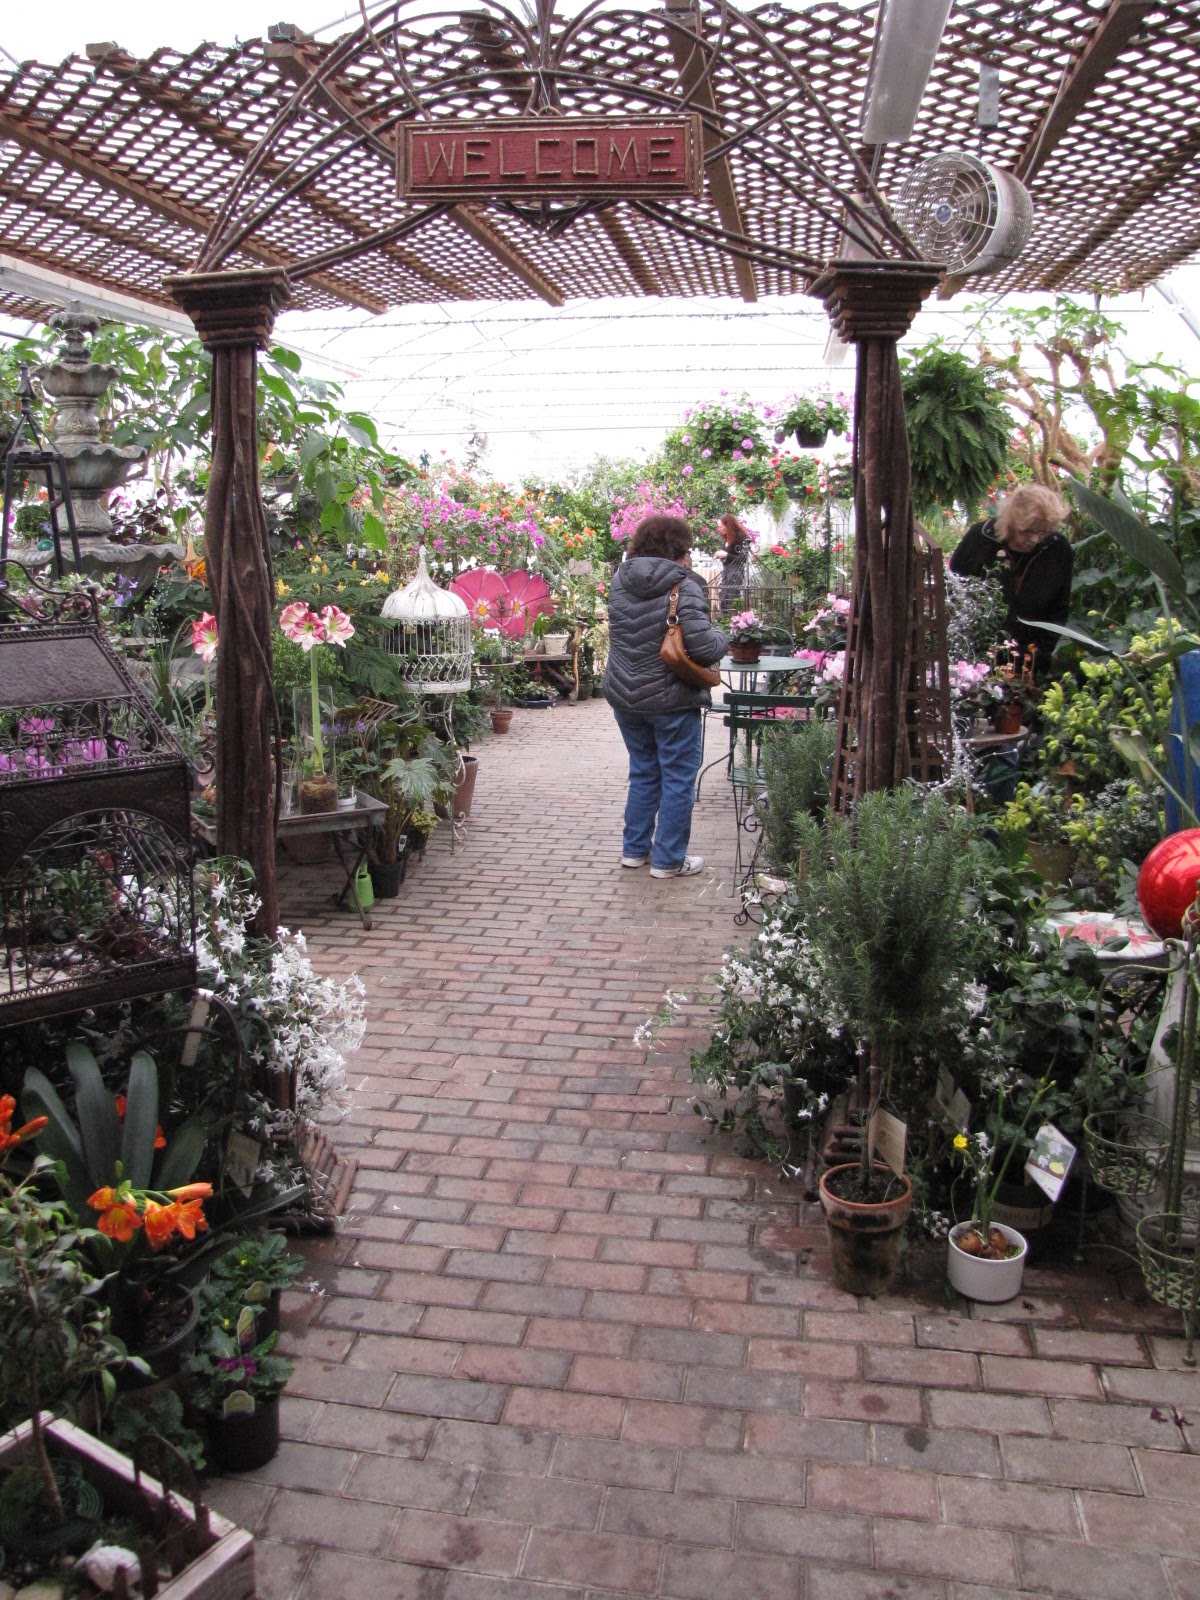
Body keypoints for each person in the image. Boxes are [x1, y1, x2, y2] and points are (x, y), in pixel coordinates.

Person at [604, 515, 728, 878]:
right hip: (672, 699)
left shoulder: (619, 581)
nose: (688, 557)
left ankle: (634, 851)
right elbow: (704, 647)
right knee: (677, 778)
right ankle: (668, 860)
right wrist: (724, 636)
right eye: (686, 550)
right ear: (676, 550)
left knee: (644, 773)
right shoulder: (684, 585)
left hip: (625, 696)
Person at [949, 484, 1073, 673]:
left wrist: (1039, 653)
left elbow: (1059, 608)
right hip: (974, 657)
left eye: (1043, 532)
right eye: (1027, 531)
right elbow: (953, 589)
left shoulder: (1058, 550)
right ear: (1011, 521)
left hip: (1028, 662)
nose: (1035, 539)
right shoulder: (980, 539)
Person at [716, 513, 755, 609]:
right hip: (727, 571)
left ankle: (732, 615)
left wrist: (726, 555)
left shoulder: (740, 537)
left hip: (735, 572)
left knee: (731, 597)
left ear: (728, 525)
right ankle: (726, 614)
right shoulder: (727, 537)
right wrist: (720, 555)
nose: (720, 529)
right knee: (725, 596)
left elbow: (743, 558)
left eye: (721, 526)